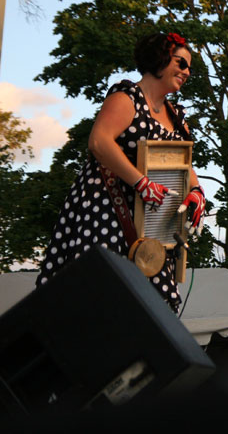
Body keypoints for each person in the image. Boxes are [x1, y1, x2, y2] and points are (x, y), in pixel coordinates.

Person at [36, 32, 206, 313]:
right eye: (181, 63)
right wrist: (142, 183)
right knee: (98, 297)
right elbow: (99, 141)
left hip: (151, 229)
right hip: (108, 210)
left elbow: (183, 165)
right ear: (160, 59)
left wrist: (197, 191)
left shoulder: (177, 119)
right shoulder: (126, 98)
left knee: (149, 310)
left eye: (189, 67)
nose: (187, 72)